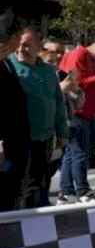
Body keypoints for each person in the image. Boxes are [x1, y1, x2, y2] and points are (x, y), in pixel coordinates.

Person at [7, 28, 66, 209]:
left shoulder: (48, 71)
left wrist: (62, 132)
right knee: (21, 184)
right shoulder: (9, 68)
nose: (21, 49)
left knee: (41, 180)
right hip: (19, 139)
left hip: (45, 137)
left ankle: (39, 214)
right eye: (19, 44)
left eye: (26, 45)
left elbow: (58, 102)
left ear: (38, 46)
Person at [58, 37, 95, 203]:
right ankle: (82, 190)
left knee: (73, 154)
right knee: (78, 153)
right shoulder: (79, 55)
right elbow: (74, 82)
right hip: (76, 112)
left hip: (85, 112)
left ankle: (66, 191)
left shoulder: (90, 59)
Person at [0, 19, 32, 212]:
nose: (20, 44)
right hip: (4, 142)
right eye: (19, 38)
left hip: (17, 140)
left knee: (12, 193)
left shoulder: (6, 63)